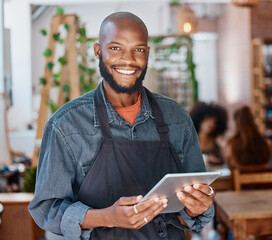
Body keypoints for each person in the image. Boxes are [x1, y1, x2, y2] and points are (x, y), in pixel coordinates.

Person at [29, 12, 215, 240]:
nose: (128, 59)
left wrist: (198, 206)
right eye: (116, 48)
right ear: (98, 51)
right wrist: (107, 217)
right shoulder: (66, 125)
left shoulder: (176, 118)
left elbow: (197, 204)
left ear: (147, 54)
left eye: (138, 50)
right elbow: (47, 209)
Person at [226, 106, 272, 170]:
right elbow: (266, 163)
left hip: (240, 179)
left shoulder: (232, 143)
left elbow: (231, 165)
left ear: (237, 123)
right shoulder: (266, 142)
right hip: (263, 178)